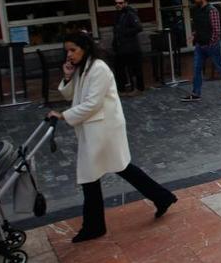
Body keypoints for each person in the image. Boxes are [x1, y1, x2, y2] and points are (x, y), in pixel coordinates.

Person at [47, 32, 176, 243]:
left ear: (84, 48)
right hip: (95, 128)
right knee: (119, 168)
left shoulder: (98, 68)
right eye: (67, 50)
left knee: (91, 175)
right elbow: (70, 95)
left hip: (104, 128)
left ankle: (94, 226)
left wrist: (63, 115)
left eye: (73, 50)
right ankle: (162, 197)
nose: (69, 54)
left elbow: (92, 103)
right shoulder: (83, 68)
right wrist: (68, 76)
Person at [183, 0, 221, 102]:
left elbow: (216, 30)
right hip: (200, 44)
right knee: (197, 68)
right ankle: (196, 93)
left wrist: (211, 42)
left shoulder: (212, 10)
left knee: (220, 66)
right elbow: (198, 28)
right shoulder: (197, 11)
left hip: (212, 45)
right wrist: (194, 36)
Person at [111, 0, 143, 95]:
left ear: (125, 3)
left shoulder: (130, 14)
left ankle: (137, 88)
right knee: (120, 68)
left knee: (133, 68)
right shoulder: (117, 15)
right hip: (121, 47)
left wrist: (124, 33)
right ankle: (123, 88)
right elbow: (116, 30)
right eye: (116, 3)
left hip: (131, 46)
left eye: (120, 3)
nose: (118, 5)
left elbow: (138, 28)